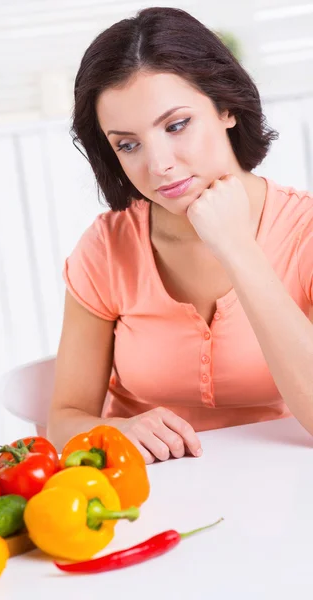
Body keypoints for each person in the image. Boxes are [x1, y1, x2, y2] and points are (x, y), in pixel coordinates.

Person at [47, 7, 313, 463]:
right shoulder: (107, 248)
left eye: (176, 125)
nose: (158, 165)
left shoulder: (304, 231)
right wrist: (115, 430)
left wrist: (235, 248)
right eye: (128, 144)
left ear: (226, 106)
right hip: (149, 496)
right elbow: (65, 419)